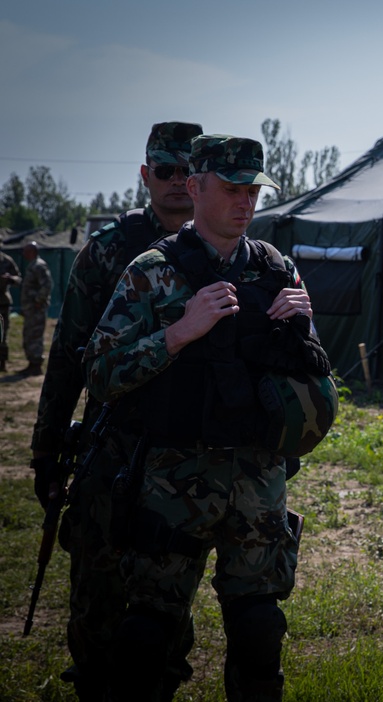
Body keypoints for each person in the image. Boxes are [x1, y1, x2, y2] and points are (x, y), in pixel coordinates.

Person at [84, 134, 333, 701]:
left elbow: (315, 374)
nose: (245, 202)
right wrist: (177, 333)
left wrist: (303, 326)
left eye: (253, 190)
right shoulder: (151, 272)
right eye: (231, 189)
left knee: (259, 630)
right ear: (194, 188)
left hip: (258, 481)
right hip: (172, 479)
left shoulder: (276, 267)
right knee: (148, 634)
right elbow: (99, 373)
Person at [29, 121, 204, 701]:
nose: (177, 182)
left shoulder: (228, 247)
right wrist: (47, 450)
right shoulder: (108, 249)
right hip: (113, 445)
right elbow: (68, 356)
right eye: (165, 171)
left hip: (189, 455)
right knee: (98, 601)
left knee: (167, 615)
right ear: (145, 176)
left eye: (187, 171)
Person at [19, 240, 52, 375]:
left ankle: (36, 365)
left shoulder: (39, 266)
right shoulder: (32, 266)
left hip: (36, 308)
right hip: (31, 308)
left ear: (32, 251)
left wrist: (39, 300)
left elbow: (47, 285)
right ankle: (32, 363)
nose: (23, 253)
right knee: (29, 334)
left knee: (35, 335)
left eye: (26, 251)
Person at [0, 247, 22, 371]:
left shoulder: (7, 261)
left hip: (2, 302)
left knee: (2, 334)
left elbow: (18, 279)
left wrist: (10, 278)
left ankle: (2, 363)